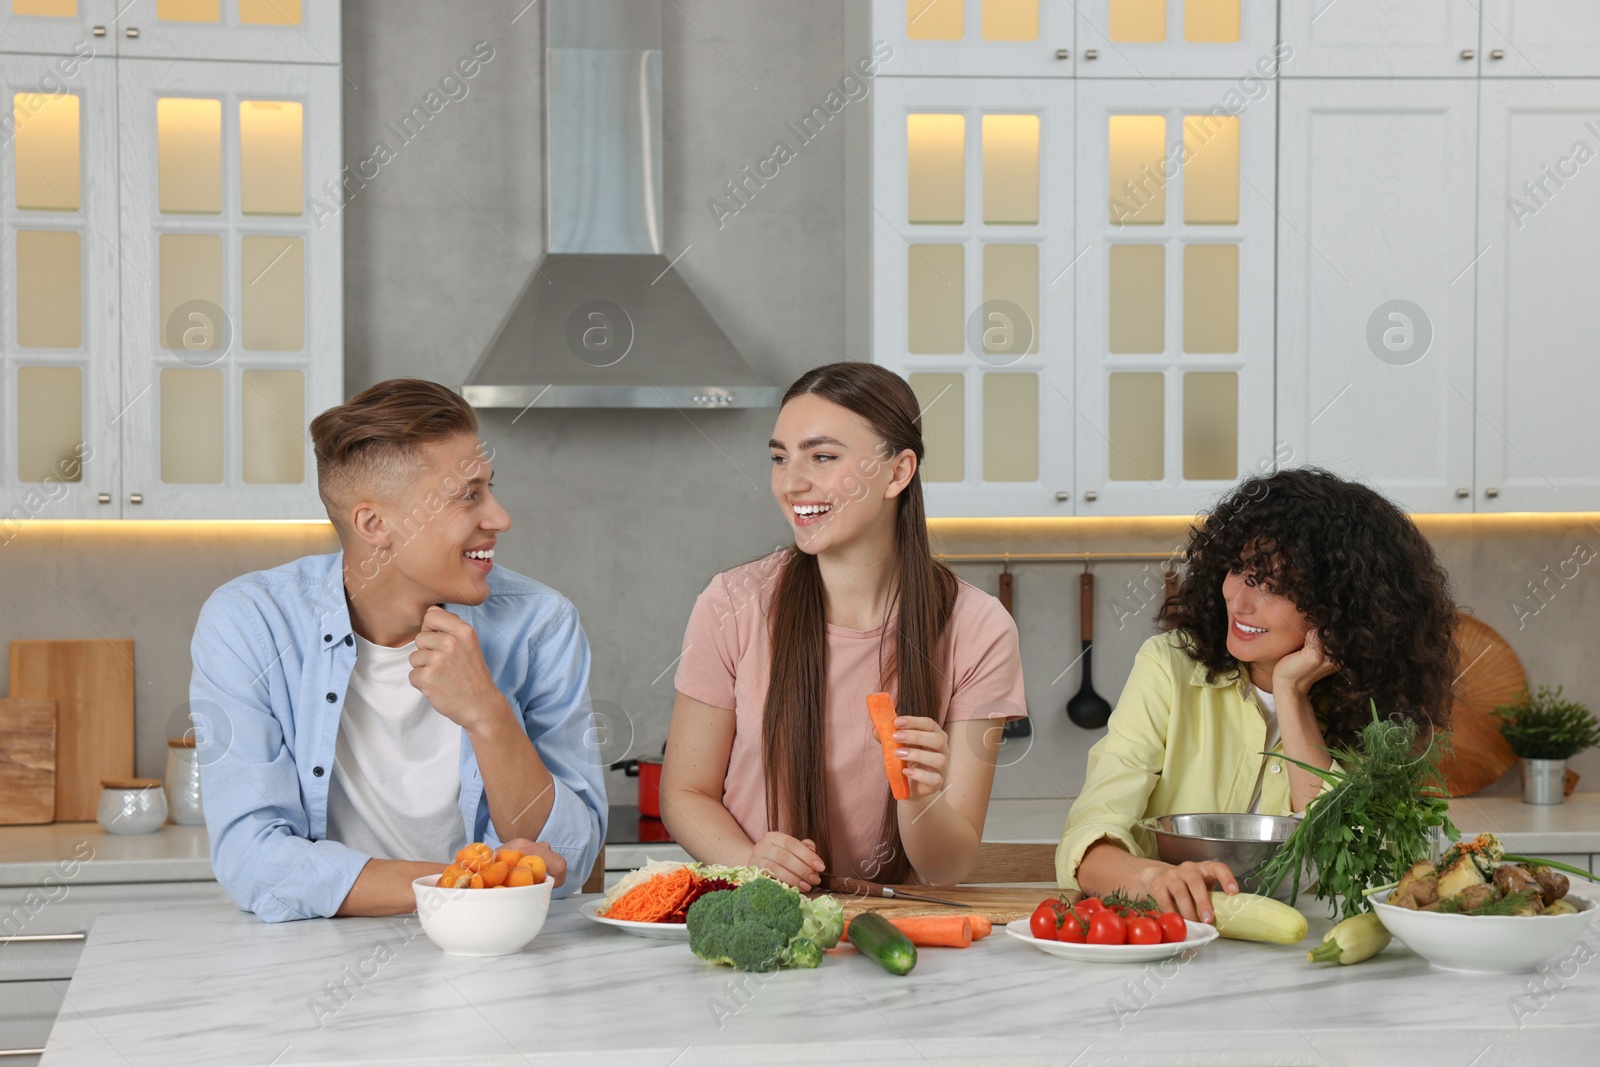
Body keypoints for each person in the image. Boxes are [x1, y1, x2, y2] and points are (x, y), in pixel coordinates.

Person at [189, 379, 606, 922]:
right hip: (320, 958)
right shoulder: (251, 623)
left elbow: (571, 859)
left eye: (490, 488)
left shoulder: (541, 623)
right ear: (375, 524)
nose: (499, 518)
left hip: (493, 947)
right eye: (468, 495)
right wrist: (463, 884)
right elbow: (253, 859)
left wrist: (487, 714)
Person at [661, 362, 1026, 888]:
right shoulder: (732, 604)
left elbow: (946, 868)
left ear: (898, 473)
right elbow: (683, 792)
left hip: (896, 931)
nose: (791, 483)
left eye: (823, 456)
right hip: (760, 916)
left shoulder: (978, 628)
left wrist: (919, 795)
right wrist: (748, 861)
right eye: (780, 458)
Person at [1057, 467, 1458, 922]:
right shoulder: (1169, 666)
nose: (1240, 601)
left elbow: (1353, 864)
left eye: (1275, 588)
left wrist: (1291, 692)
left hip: (1306, 945)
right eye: (1239, 571)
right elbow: (1091, 837)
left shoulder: (1376, 709)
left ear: (1342, 607)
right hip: (1169, 932)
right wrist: (1150, 880)